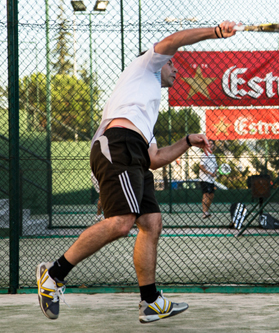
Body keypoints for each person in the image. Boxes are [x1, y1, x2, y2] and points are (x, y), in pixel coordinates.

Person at [36, 21, 239, 323]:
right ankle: (53, 276)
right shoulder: (145, 66)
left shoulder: (146, 107)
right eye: (173, 65)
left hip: (135, 150)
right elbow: (176, 39)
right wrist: (216, 32)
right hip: (117, 144)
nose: (177, 70)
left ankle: (150, 302)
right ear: (160, 61)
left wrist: (187, 141)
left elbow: (154, 158)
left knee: (151, 222)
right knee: (121, 223)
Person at [199, 139, 217, 219]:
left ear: (214, 146)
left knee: (212, 195)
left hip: (211, 180)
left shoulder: (213, 156)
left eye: (212, 144)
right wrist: (210, 173)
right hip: (204, 179)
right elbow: (201, 166)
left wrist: (215, 173)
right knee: (206, 194)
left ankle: (207, 211)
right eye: (208, 144)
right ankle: (204, 212)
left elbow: (216, 167)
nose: (210, 145)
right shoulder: (204, 155)